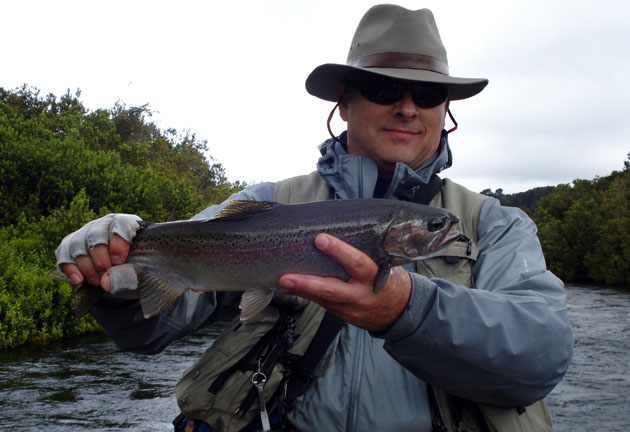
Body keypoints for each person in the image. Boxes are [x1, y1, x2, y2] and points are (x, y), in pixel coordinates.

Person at [55, 5, 573, 431]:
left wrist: (407, 310)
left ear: (446, 110)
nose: (409, 108)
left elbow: (540, 359)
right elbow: (150, 332)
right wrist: (117, 276)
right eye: (386, 89)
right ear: (344, 104)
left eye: (429, 93)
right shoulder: (268, 201)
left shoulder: (497, 226)